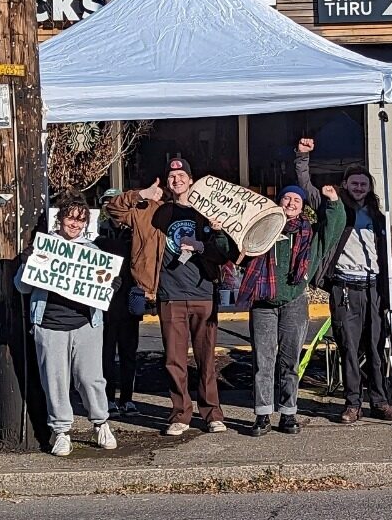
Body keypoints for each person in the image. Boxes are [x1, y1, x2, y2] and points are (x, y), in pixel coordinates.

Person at [107, 157, 230, 436]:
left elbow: (225, 252)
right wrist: (141, 194)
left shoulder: (207, 211)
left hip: (203, 292)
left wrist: (208, 241)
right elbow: (113, 210)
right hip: (169, 294)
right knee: (174, 359)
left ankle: (212, 413)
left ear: (191, 179)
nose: (177, 180)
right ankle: (180, 415)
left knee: (206, 359)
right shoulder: (151, 210)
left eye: (182, 175)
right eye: (172, 176)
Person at [295, 140, 392, 423]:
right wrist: (303, 156)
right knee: (349, 350)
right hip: (345, 289)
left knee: (376, 349)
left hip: (374, 288)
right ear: (345, 184)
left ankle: (380, 401)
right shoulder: (334, 208)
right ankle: (352, 404)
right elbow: (306, 186)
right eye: (355, 183)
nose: (359, 188)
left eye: (364, 184)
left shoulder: (378, 216)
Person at [14, 191, 118, 457]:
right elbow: (21, 287)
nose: (74, 224)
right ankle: (61, 432)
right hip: (49, 325)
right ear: (59, 220)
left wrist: (110, 283)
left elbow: (104, 285)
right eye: (70, 218)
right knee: (55, 380)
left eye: (80, 220)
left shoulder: (93, 252)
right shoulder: (44, 247)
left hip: (86, 324)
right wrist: (31, 265)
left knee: (91, 378)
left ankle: (100, 423)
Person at [240, 183, 347, 437]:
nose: (291, 203)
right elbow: (232, 244)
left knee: (290, 361)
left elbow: (334, 227)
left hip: (294, 302)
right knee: (263, 361)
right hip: (263, 303)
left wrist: (333, 203)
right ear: (278, 202)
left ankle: (289, 413)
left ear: (302, 206)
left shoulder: (309, 234)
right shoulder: (260, 228)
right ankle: (262, 414)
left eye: (296, 200)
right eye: (286, 198)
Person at [95, 214, 143, 418]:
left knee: (128, 354)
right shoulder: (97, 234)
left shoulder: (136, 233)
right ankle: (108, 398)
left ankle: (127, 399)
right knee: (105, 355)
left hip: (129, 302)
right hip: (105, 303)